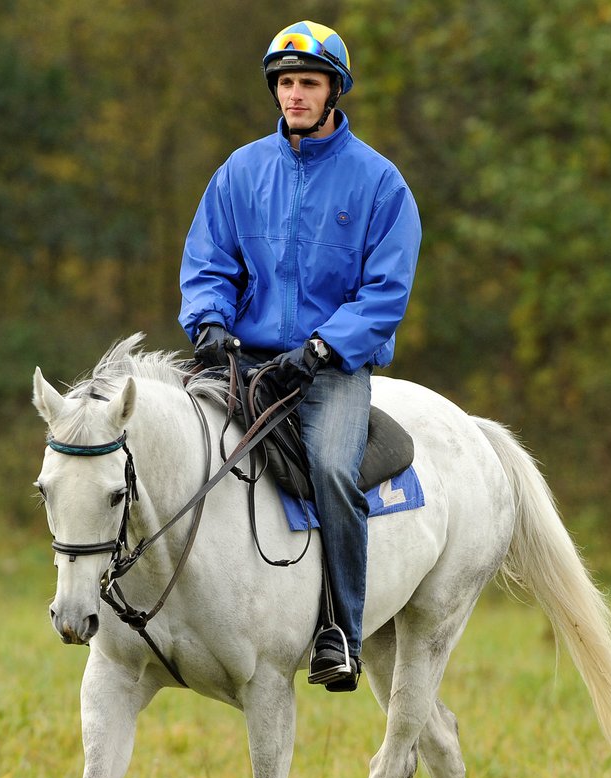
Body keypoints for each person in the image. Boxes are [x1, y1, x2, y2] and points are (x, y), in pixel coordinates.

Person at [178, 20, 422, 691]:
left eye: (308, 83)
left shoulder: (380, 184)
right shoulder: (240, 171)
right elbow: (207, 261)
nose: (295, 94)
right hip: (247, 358)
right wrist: (209, 324)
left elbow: (386, 292)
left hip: (333, 370)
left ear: (334, 91)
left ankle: (339, 630)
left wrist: (322, 347)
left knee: (333, 471)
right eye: (286, 83)